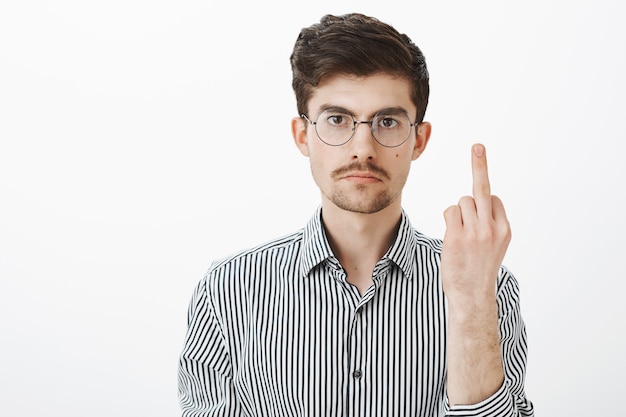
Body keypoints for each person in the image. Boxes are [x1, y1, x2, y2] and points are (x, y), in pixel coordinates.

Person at [178, 13, 534, 417]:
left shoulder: (489, 288)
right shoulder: (228, 291)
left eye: (387, 121)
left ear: (419, 139)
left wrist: (471, 303)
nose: (362, 147)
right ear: (302, 135)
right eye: (337, 119)